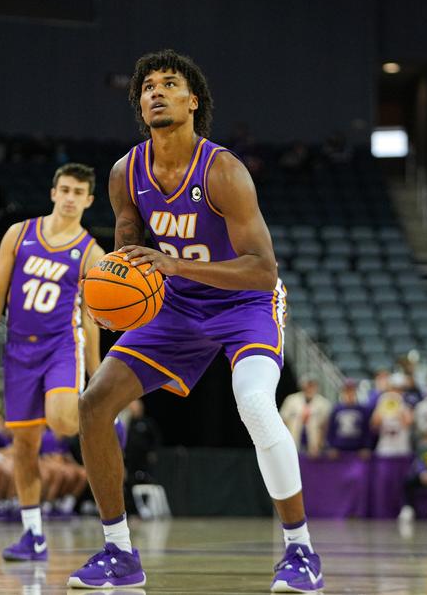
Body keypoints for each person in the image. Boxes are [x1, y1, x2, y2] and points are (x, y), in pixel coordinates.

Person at [65, 50, 319, 592]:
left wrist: (175, 265)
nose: (156, 91)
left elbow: (262, 270)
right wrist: (116, 291)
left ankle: (300, 552)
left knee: (253, 404)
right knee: (92, 403)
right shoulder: (124, 173)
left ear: (191, 100)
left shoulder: (223, 170)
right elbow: (129, 241)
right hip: (177, 305)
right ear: (140, 104)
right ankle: (120, 556)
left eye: (169, 83)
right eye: (147, 86)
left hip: (244, 304)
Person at [0, 162, 104, 561]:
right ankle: (34, 536)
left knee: (63, 419)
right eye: (64, 189)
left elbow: (91, 319)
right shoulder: (19, 234)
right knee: (25, 447)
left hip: (62, 345)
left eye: (77, 193)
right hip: (18, 349)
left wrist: (97, 373)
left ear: (89, 200)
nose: (69, 198)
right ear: (53, 192)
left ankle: (101, 419)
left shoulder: (91, 253)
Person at [279, 376, 332, 457]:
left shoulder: (323, 403)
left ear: (316, 387)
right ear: (303, 386)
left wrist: (321, 443)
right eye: (308, 385)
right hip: (293, 441)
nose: (310, 388)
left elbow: (326, 426)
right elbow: (282, 421)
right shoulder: (291, 400)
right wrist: (284, 442)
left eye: (312, 385)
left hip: (314, 445)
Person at [325, 379, 371, 457]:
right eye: (347, 391)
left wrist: (366, 446)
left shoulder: (363, 410)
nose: (349, 394)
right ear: (342, 393)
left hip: (358, 449)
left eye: (351, 391)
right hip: (339, 448)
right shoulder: (336, 409)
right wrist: (331, 446)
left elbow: (367, 430)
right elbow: (331, 429)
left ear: (355, 392)